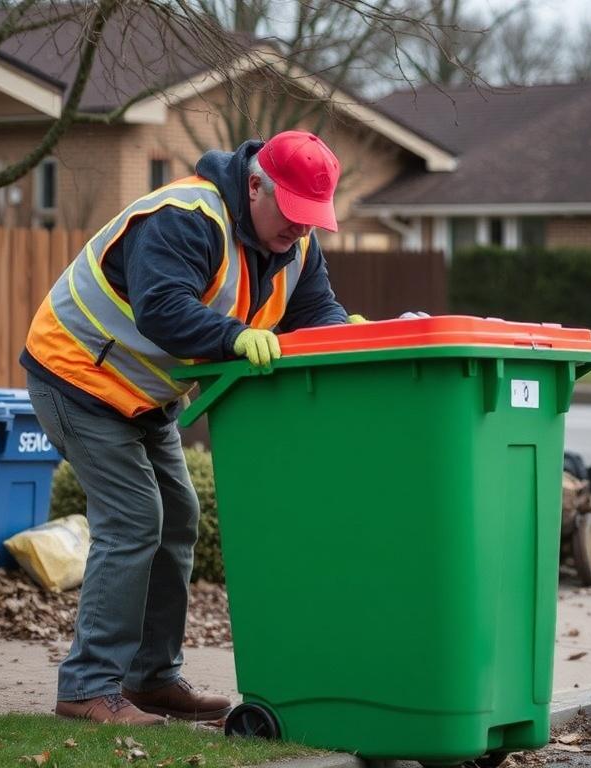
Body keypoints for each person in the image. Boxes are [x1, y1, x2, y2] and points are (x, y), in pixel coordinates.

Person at [21, 130, 362, 725]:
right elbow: (162, 307)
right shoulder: (186, 217)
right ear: (255, 184)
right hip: (75, 374)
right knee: (134, 519)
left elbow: (315, 312)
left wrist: (345, 337)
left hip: (145, 395)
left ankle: (150, 679)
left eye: (313, 219)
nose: (301, 230)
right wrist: (233, 336)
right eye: (292, 214)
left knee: (178, 519)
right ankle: (87, 687)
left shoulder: (296, 247)